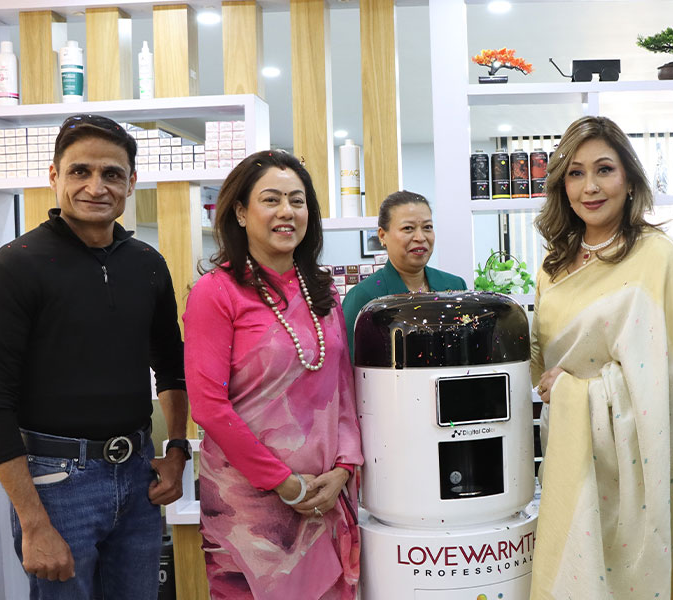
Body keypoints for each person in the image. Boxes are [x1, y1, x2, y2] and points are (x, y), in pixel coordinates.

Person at [0, 113, 190, 599]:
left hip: (138, 476)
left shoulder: (147, 264)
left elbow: (171, 365)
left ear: (131, 182)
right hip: (55, 483)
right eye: (80, 171)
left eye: (111, 173)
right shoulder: (15, 266)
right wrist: (33, 522)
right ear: (54, 176)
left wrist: (177, 449)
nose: (96, 186)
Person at [528, 116, 673, 599]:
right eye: (575, 173)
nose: (590, 186)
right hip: (569, 453)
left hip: (642, 466)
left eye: (604, 169)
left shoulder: (659, 258)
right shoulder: (551, 267)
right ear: (562, 186)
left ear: (629, 180)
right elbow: (541, 368)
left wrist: (575, 391)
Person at [184, 150, 362, 599]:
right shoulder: (215, 292)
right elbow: (208, 407)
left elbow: (343, 389)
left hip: (325, 498)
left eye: (297, 201)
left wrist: (344, 469)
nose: (287, 211)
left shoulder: (322, 290)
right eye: (271, 200)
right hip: (249, 513)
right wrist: (285, 483)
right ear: (241, 213)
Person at [341, 190, 466, 358]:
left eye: (427, 227)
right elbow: (348, 364)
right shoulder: (364, 296)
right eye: (408, 228)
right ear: (382, 236)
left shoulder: (455, 286)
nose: (420, 237)